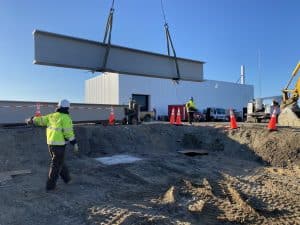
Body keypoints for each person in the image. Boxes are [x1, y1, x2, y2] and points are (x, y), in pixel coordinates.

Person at [26, 99, 79, 191]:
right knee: (56, 164)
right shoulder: (66, 118)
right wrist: (74, 143)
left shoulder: (52, 116)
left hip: (50, 143)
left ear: (58, 107)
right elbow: (68, 133)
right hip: (59, 145)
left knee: (59, 162)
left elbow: (40, 120)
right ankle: (50, 187)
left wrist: (31, 120)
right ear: (67, 108)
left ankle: (67, 179)